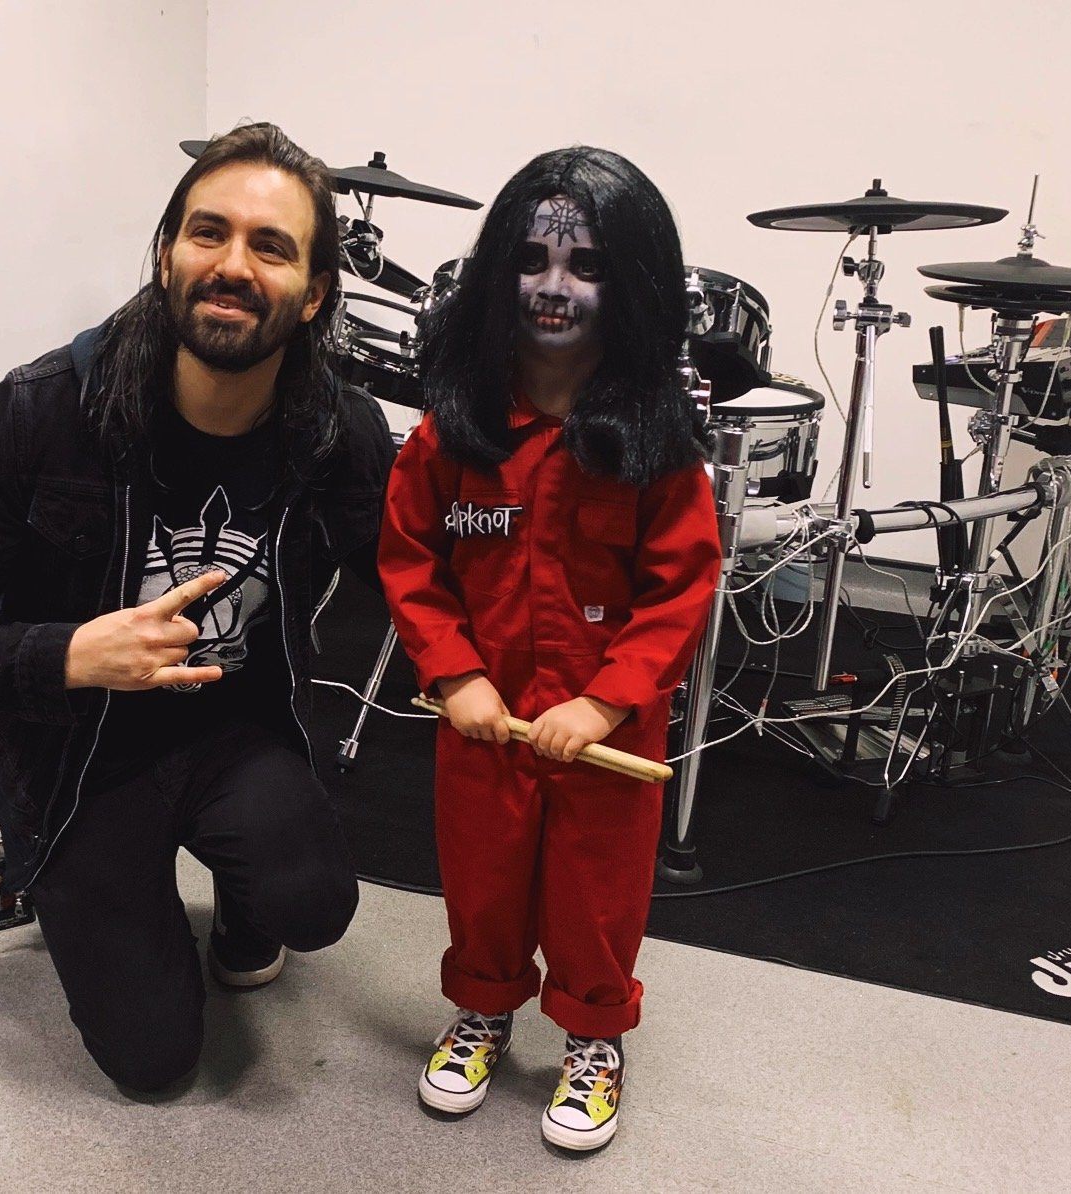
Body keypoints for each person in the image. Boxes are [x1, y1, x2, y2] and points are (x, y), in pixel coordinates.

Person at [0, 123, 395, 1091]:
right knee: (156, 1064)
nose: (233, 265)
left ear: (315, 294)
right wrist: (68, 655)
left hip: (236, 731)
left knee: (311, 903)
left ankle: (240, 898)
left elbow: (419, 585)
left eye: (270, 246)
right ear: (166, 256)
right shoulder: (40, 412)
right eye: (209, 232)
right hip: (80, 748)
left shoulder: (340, 434)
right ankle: (60, 861)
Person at [378, 147, 720, 1151]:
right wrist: (456, 671)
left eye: (588, 265)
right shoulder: (454, 430)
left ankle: (593, 1036)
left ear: (634, 282)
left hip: (605, 730)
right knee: (480, 880)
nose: (555, 287)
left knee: (596, 893)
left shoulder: (657, 439)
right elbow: (409, 562)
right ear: (499, 271)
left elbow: (681, 587)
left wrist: (608, 702)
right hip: (486, 721)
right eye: (532, 259)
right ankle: (483, 1008)